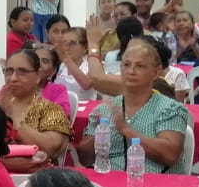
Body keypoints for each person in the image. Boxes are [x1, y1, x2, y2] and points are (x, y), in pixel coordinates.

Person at [75, 38, 189, 173]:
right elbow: (85, 159)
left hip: (153, 181)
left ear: (156, 72)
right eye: (126, 65)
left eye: (140, 66)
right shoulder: (104, 109)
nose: (131, 71)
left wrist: (126, 130)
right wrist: (99, 137)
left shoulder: (170, 108)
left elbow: (170, 155)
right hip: (110, 179)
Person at [0, 50, 72, 170]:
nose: (13, 78)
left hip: (36, 178)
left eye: (22, 72)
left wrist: (14, 118)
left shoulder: (50, 109)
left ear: (38, 75)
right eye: (9, 71)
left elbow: (51, 149)